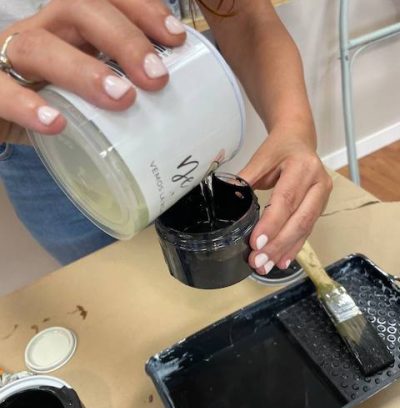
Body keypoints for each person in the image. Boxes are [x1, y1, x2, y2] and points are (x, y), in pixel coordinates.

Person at [0, 0, 332, 274]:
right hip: (47, 145)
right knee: (118, 291)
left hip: (170, 116)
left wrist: (294, 129)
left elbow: (244, 16)